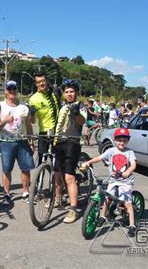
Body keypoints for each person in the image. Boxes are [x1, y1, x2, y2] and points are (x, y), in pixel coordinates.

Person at [81, 128, 137, 236]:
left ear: (128, 141)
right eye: (119, 140)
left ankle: (132, 225)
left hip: (125, 181)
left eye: (124, 140)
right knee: (107, 198)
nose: (122, 142)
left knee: (127, 203)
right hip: (113, 179)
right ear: (115, 140)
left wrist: (128, 171)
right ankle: (102, 216)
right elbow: (99, 158)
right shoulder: (111, 151)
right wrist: (88, 162)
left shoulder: (129, 152)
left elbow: (133, 164)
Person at [0, 80, 35, 205]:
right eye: (9, 89)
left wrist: (31, 142)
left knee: (26, 169)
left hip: (22, 141)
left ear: (17, 90)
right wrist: (5, 121)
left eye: (14, 89)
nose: (12, 91)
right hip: (6, 142)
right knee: (7, 170)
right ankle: (6, 193)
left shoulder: (24, 107)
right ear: (5, 91)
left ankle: (25, 192)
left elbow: (28, 126)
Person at [53, 79, 86, 223]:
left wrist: (76, 113)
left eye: (72, 91)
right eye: (67, 92)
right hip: (59, 142)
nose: (69, 94)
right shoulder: (62, 106)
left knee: (69, 177)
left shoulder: (80, 106)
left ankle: (73, 210)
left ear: (76, 93)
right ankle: (57, 198)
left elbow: (82, 121)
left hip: (72, 143)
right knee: (56, 174)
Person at [28, 71, 62, 166]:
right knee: (41, 161)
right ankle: (39, 180)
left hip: (58, 132)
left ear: (46, 81)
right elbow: (33, 121)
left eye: (43, 81)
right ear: (36, 84)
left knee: (58, 163)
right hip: (43, 133)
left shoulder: (55, 93)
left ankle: (57, 180)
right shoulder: (33, 99)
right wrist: (32, 114)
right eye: (38, 82)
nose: (41, 83)